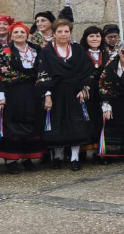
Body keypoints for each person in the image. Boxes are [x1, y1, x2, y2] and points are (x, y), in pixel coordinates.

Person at [36, 19, 94, 171]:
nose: (63, 34)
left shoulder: (78, 49)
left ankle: (75, 157)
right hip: (55, 93)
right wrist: (47, 96)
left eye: (66, 31)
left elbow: (87, 71)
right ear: (54, 33)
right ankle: (57, 156)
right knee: (57, 123)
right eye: (59, 31)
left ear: (70, 32)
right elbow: (43, 74)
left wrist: (84, 89)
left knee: (76, 123)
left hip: (75, 93)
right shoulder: (47, 51)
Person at [0, 21, 42, 173]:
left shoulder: (36, 50)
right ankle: (11, 159)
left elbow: (42, 71)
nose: (19, 35)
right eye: (16, 32)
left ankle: (27, 158)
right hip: (12, 91)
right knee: (12, 124)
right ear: (11, 35)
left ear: (27, 34)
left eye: (22, 32)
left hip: (31, 91)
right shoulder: (5, 52)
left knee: (31, 122)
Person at [78, 26, 108, 163]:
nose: (95, 39)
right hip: (86, 91)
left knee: (99, 120)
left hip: (101, 92)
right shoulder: (80, 53)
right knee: (85, 119)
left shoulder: (106, 53)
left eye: (97, 36)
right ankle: (81, 151)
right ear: (86, 39)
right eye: (91, 36)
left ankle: (99, 151)